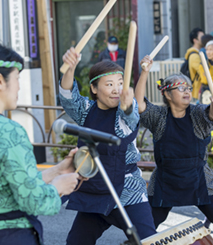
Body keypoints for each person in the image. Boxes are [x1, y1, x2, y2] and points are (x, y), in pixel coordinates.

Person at [0, 42, 79, 245]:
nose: (19, 86)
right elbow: (34, 201)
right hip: (9, 237)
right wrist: (58, 187)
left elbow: (4, 182)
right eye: (17, 78)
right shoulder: (7, 130)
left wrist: (56, 171)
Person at [60, 48, 156, 244]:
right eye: (109, 84)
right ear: (94, 89)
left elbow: (129, 120)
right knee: (76, 242)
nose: (116, 89)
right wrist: (70, 69)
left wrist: (128, 106)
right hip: (95, 187)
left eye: (120, 84)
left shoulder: (124, 111)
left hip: (127, 189)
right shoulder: (87, 111)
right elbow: (69, 99)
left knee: (148, 241)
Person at [135, 55, 213, 231]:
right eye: (181, 88)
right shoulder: (159, 117)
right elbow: (139, 105)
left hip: (200, 178)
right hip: (165, 179)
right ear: (167, 94)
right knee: (145, 228)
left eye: (188, 88)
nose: (187, 91)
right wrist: (144, 72)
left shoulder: (197, 112)